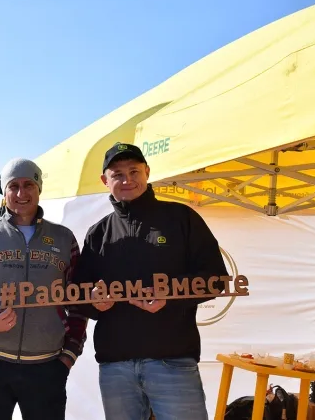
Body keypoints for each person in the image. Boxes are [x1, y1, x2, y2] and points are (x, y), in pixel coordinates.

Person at [71, 143, 228, 420]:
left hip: (173, 362)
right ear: (105, 180)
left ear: (147, 172)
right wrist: (95, 302)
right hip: (115, 367)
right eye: (118, 174)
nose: (127, 179)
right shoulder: (98, 233)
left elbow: (216, 279)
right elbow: (78, 295)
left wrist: (169, 296)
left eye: (134, 171)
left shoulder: (182, 218)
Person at [0, 158, 88, 420]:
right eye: (13, 186)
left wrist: (69, 354)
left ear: (39, 188)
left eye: (28, 184)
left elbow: (77, 301)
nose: (21, 193)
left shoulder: (64, 238)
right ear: (4, 192)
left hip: (47, 365)